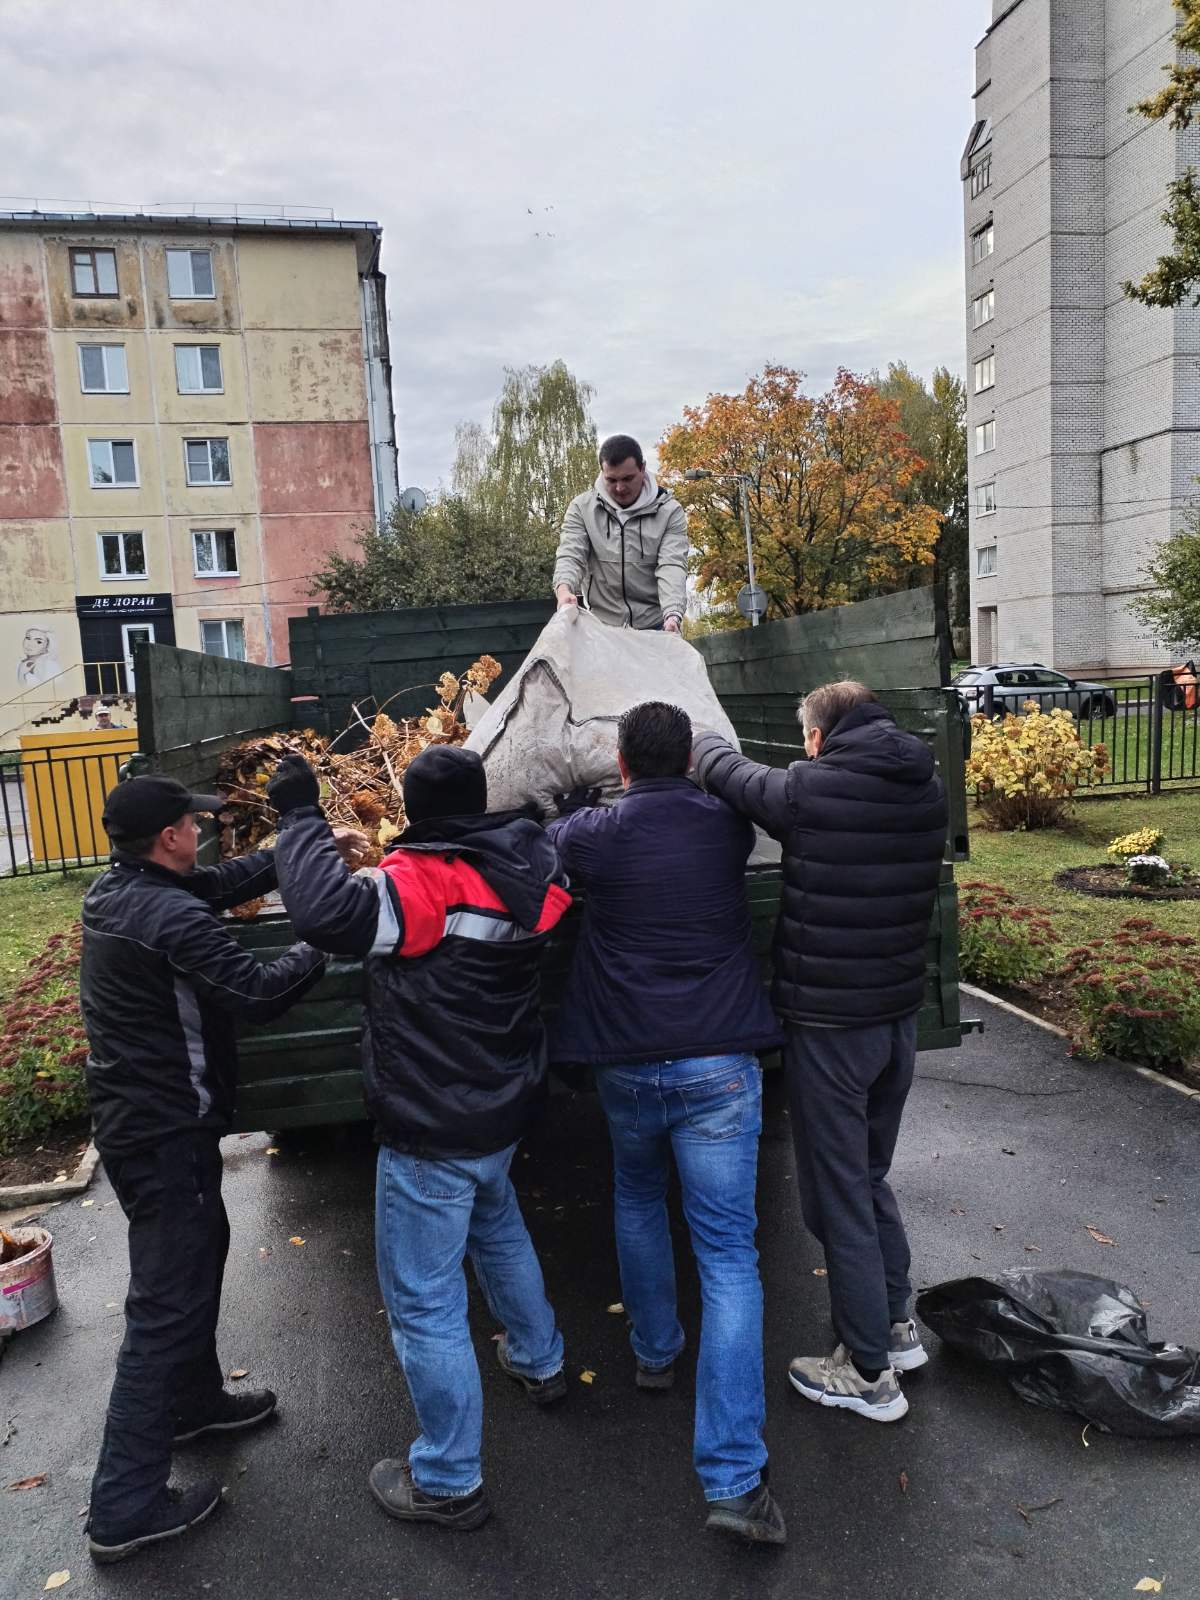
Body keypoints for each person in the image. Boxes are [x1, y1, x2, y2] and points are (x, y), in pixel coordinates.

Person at [266, 744, 571, 1533]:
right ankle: (541, 1362)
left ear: (416, 810)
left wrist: (299, 812)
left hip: (433, 1123)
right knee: (498, 1227)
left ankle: (447, 1479)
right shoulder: (533, 866)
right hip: (501, 1105)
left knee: (425, 1303)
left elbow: (326, 916)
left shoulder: (422, 881)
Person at [544, 703, 786, 1545]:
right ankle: (734, 1480)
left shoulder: (591, 836)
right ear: (689, 758)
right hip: (720, 1061)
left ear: (618, 762)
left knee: (638, 1198)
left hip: (626, 1059)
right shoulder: (725, 827)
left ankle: (654, 1351)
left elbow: (560, 834)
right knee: (727, 1255)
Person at [80, 775, 335, 1563]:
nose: (204, 831)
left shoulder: (119, 890)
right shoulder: (166, 917)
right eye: (195, 823)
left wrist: (297, 853)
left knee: (196, 1262)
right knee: (162, 1310)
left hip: (141, 1124)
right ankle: (124, 1506)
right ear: (169, 837)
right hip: (165, 1133)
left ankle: (193, 1405)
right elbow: (257, 993)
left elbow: (214, 886)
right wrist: (325, 933)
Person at [692, 681, 947, 1424]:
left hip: (833, 1029)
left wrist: (702, 739)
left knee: (837, 1196)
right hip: (894, 1020)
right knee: (867, 1179)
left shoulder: (812, 789)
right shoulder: (924, 784)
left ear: (818, 736)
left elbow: (735, 778)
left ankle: (867, 1372)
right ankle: (895, 1330)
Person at [553, 434, 688, 632]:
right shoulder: (581, 508)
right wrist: (564, 589)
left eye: (627, 478)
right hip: (602, 628)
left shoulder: (670, 512)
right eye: (612, 479)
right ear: (602, 472)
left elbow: (672, 565)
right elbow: (571, 555)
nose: (620, 487)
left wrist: (673, 614)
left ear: (642, 468)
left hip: (657, 626)